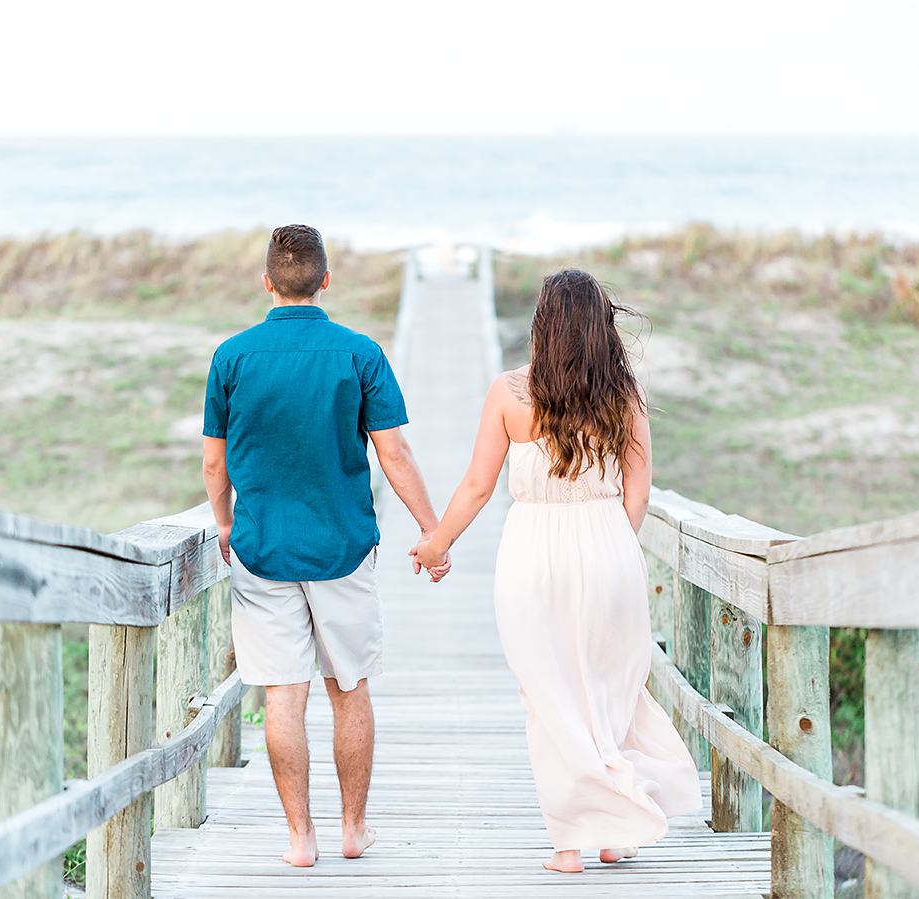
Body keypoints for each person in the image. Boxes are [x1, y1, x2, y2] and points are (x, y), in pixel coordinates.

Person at [411, 268, 702, 873]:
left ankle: (567, 844)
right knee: (608, 685)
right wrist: (616, 548)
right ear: (602, 326)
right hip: (608, 542)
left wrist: (437, 544)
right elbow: (640, 491)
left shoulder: (509, 392)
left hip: (532, 550)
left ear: (544, 324)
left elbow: (475, 487)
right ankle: (613, 834)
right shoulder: (624, 394)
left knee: (547, 693)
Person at [202, 224, 448, 867]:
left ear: (267, 283)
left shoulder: (232, 357)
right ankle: (352, 829)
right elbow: (393, 451)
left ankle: (298, 838)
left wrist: (225, 524)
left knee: (283, 694)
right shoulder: (358, 354)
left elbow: (213, 464)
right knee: (351, 687)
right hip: (343, 544)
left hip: (263, 548)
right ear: (325, 281)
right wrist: (431, 529)